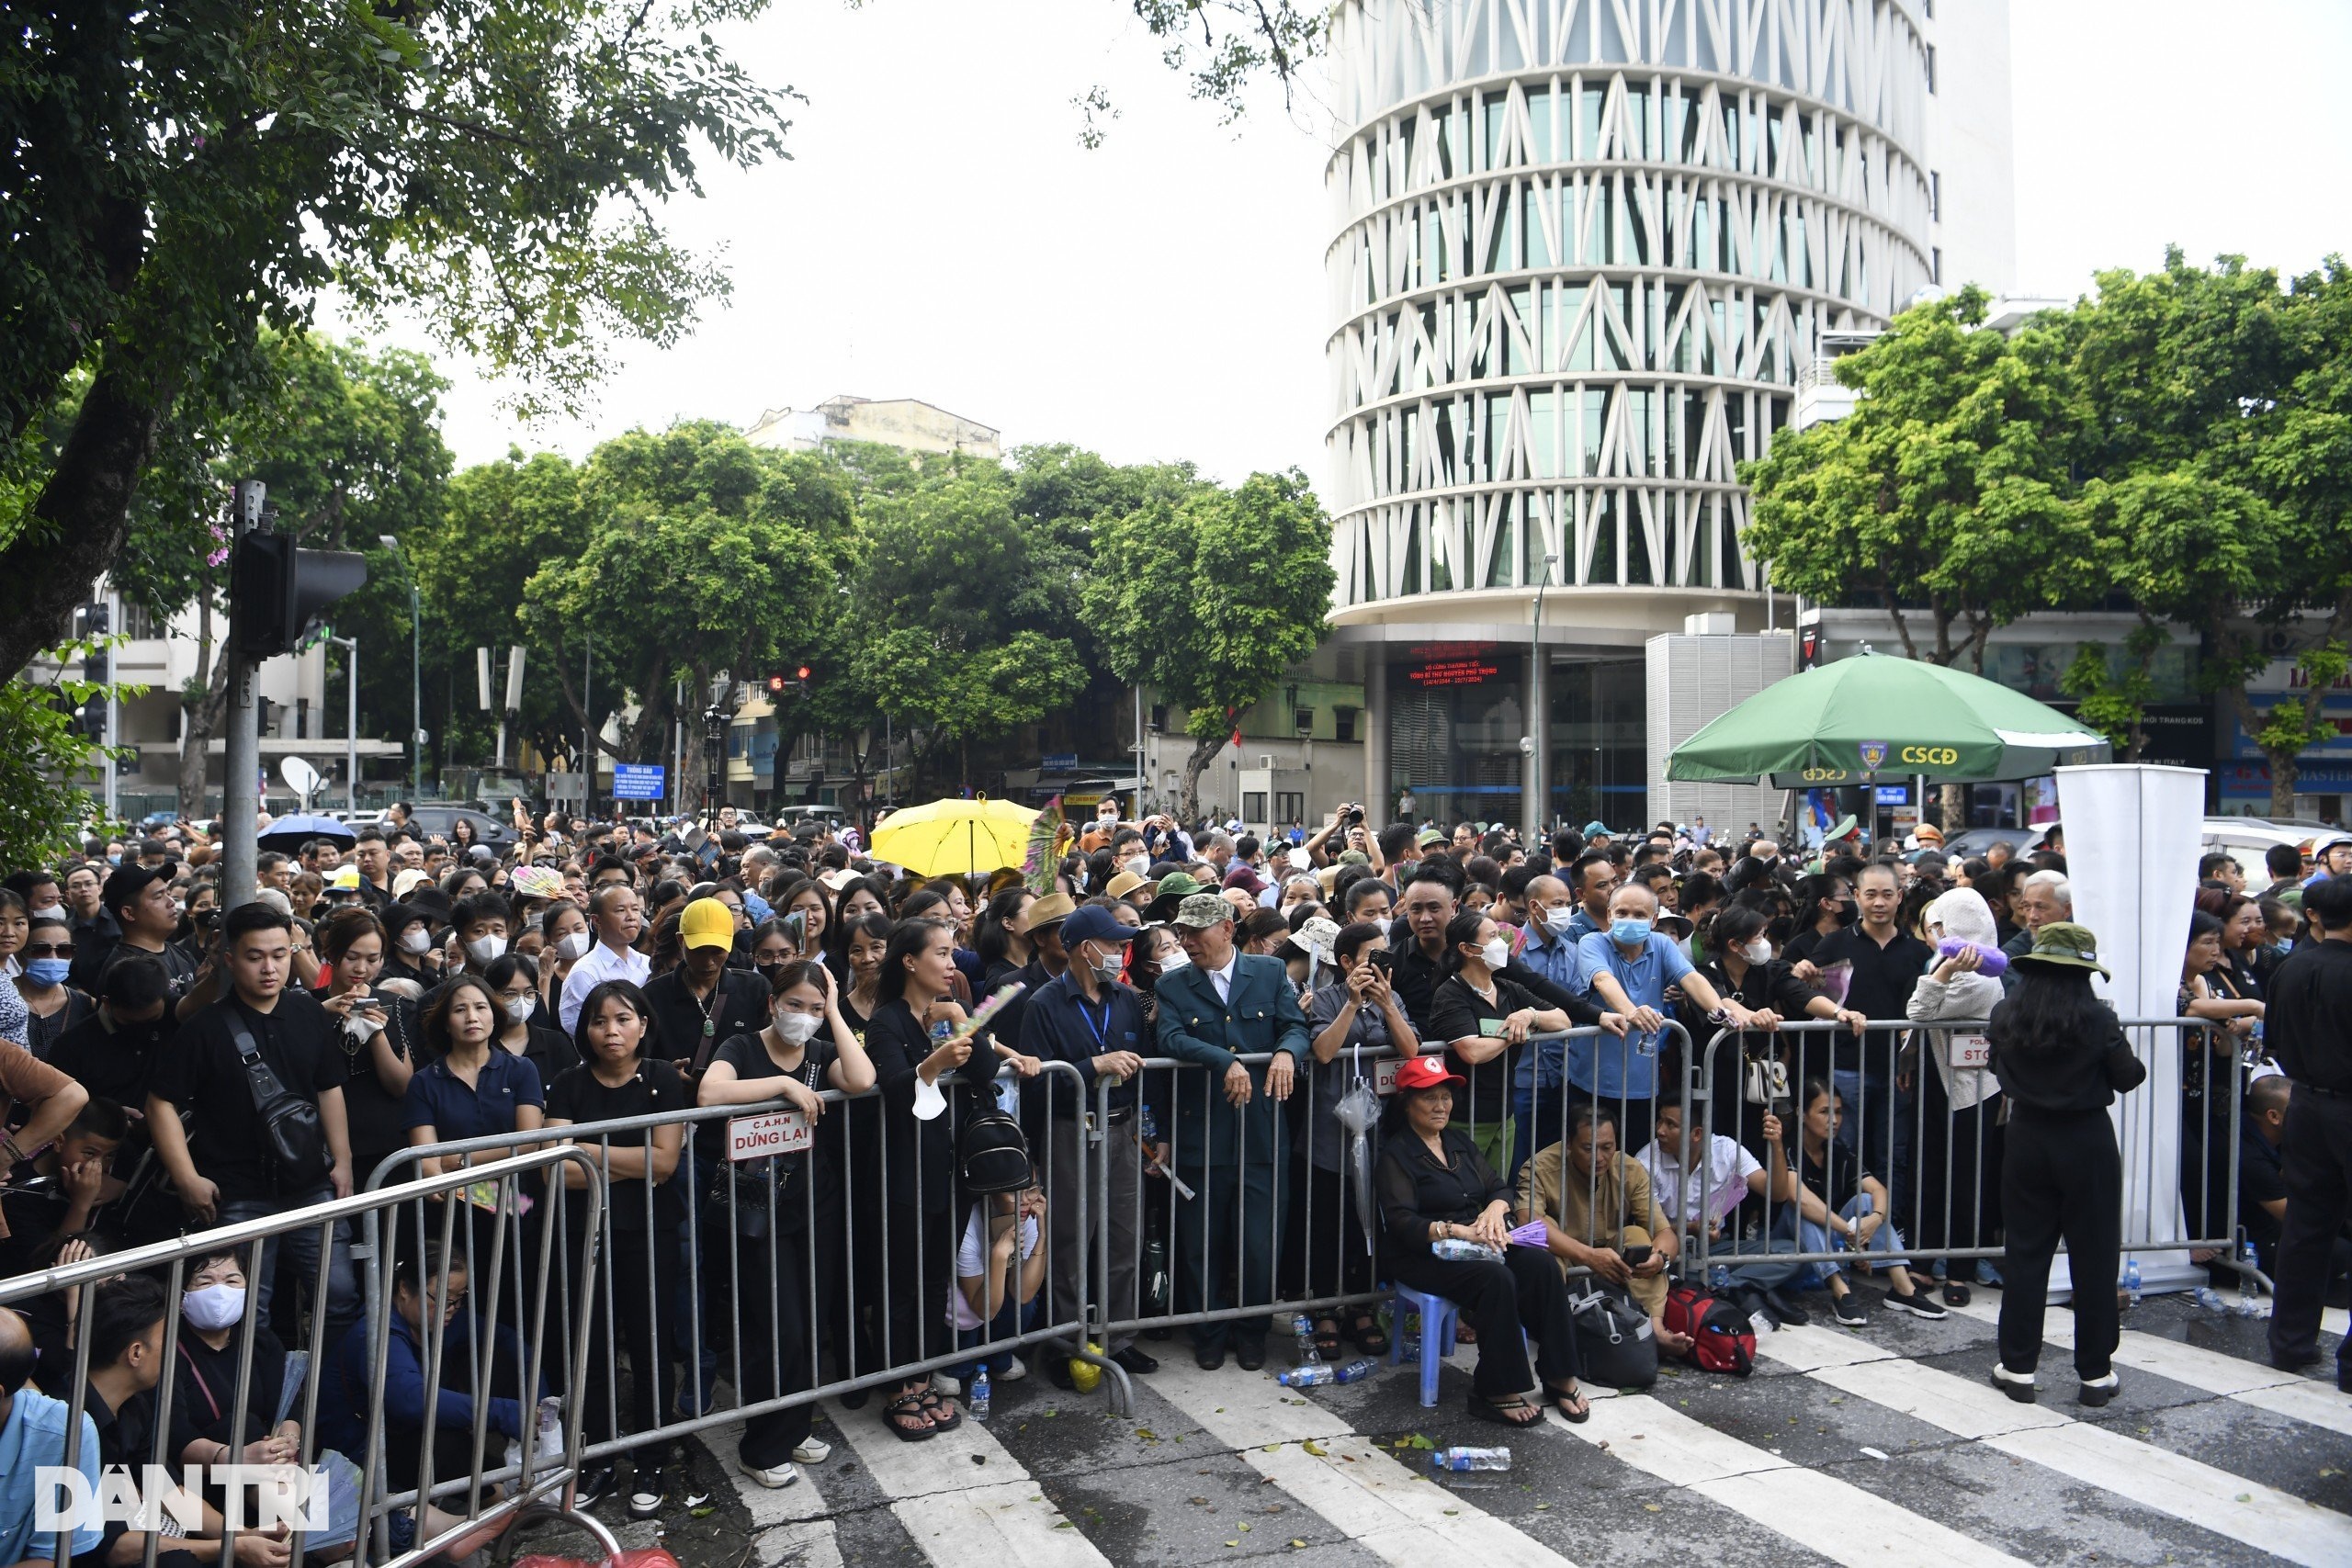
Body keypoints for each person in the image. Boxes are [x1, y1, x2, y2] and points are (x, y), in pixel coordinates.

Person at [145, 904, 360, 1339]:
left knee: (339, 1298)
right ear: (229, 959)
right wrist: (186, 1177)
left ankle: (335, 1400)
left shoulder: (310, 1013)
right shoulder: (203, 1028)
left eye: (280, 955)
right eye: (255, 956)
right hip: (235, 1190)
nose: (270, 968)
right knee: (246, 1313)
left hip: (311, 1183)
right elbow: (160, 1103)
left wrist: (342, 1160)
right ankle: (255, 1407)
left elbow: (328, 1087)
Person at [696, 958, 873, 1487]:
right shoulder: (743, 1047)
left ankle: (794, 1427)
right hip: (756, 1214)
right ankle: (762, 1445)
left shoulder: (821, 1053)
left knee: (808, 1325)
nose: (804, 1017)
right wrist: (781, 1085)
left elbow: (862, 1079)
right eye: (794, 1005)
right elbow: (710, 1093)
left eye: (814, 1008)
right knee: (777, 1328)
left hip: (811, 1208)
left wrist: (835, 1011)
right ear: (772, 1003)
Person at [1376, 1055, 1588, 1425]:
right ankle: (1495, 1388)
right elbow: (1401, 1222)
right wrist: (1455, 1230)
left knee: (1539, 1263)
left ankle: (1559, 1373)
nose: (1441, 1106)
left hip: (1477, 1242)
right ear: (1407, 1102)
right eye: (1429, 1098)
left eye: (1445, 1096)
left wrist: (1494, 1210)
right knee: (1497, 1279)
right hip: (1425, 1252)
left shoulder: (1458, 1142)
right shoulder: (1397, 1154)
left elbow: (1499, 1186)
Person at [1986, 922, 2146, 1405]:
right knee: (2094, 1257)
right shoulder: (2097, 1018)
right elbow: (2129, 1078)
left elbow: (1997, 1068)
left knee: (2025, 1254)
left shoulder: (2005, 1013)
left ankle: (2017, 1368)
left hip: (2027, 1137)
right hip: (2086, 1138)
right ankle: (2095, 1374)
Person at [544, 979, 686, 1515]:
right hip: (585, 1231)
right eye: (600, 1021)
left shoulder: (662, 1081)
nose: (611, 1031)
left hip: (650, 1231)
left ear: (643, 1025)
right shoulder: (567, 1083)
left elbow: (666, 1162)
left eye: (623, 1019)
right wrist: (628, 1159)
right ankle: (599, 1455)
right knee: (594, 1346)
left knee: (651, 1342)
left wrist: (584, 1148)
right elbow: (559, 1176)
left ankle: (653, 1456)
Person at [1155, 893, 1312, 1371]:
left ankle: (1252, 1331)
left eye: (1195, 932)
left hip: (1262, 1133)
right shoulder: (1173, 984)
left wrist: (1286, 1051)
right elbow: (1170, 1038)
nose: (1186, 941)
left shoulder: (1266, 972)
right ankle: (1208, 1332)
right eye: (1180, 932)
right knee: (1202, 1241)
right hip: (1202, 1136)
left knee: (1260, 1241)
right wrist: (1225, 1060)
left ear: (1226, 929)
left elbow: (1296, 1026)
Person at [860, 918, 999, 1438]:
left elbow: (984, 1071)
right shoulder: (888, 1021)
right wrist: (935, 1062)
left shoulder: (949, 1012)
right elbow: (895, 1091)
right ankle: (898, 1386)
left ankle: (922, 1373)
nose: (951, 961)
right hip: (901, 1172)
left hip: (948, 1170)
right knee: (899, 1282)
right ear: (910, 962)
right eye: (940, 953)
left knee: (934, 1278)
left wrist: (964, 1021)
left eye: (953, 951)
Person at [1015, 904, 1153, 1385]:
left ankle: (1119, 1338)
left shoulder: (1129, 999)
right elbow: (1035, 1086)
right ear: (1083, 948)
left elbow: (1146, 1073)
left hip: (1123, 1129)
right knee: (1070, 1243)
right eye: (1113, 945)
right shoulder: (1043, 1004)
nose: (1120, 953)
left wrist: (1149, 1131)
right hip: (1069, 1131)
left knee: (1124, 1238)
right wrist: (1094, 1065)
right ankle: (1064, 1344)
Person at [1302, 919, 1419, 1356]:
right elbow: (1324, 1051)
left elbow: (1410, 1050)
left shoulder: (1394, 997)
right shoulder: (1326, 998)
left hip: (1381, 1132)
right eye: (1373, 958)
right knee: (1329, 1222)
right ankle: (1327, 1309)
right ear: (1347, 962)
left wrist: (1386, 1005)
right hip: (1330, 1134)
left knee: (1368, 1222)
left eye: (1385, 956)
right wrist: (1352, 1004)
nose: (1382, 965)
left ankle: (1362, 1305)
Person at [1572, 881, 1752, 1157]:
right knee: (1591, 1161)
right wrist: (1631, 1011)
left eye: (1639, 915)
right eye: (1621, 913)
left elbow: (1691, 978)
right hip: (1593, 1082)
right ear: (1609, 915)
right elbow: (1603, 979)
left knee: (1636, 1166)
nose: (1629, 920)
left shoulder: (1660, 944)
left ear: (1654, 919)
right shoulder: (1592, 942)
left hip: (1644, 1085)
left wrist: (1719, 1010)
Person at [2261, 874, 2352, 1392]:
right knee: (2311, 1227)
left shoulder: (2291, 967)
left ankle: (2291, 1343)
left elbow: (2275, 1039)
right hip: (2340, 1104)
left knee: (2306, 1227)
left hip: (2305, 1102)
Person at [1521, 1102, 1690, 1357]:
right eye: (1588, 1148)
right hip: (1567, 1262)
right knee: (1544, 1242)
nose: (1599, 1158)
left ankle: (1655, 1329)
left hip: (1612, 1266)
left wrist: (1660, 1258)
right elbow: (1527, 1221)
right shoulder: (1541, 1166)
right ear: (1568, 1143)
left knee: (1638, 1238)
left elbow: (1665, 1233)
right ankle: (1555, 1330)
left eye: (1607, 1148)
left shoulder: (1630, 1168)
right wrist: (1587, 1256)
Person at [1902, 887, 2007, 1302]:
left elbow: (1918, 1011)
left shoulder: (1981, 975)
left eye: (1942, 926)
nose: (1935, 933)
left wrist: (1942, 972)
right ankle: (1923, 1262)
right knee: (1927, 1170)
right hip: (1935, 1078)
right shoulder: (1940, 963)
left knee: (1967, 1176)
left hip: (1974, 1087)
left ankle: (1960, 1270)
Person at [1776, 1077, 1944, 1325]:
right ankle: (1840, 1290)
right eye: (1824, 1112)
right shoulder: (1786, 1148)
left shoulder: (1838, 1150)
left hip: (1828, 1243)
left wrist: (1874, 1220)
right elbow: (1799, 1199)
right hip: (1785, 1247)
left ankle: (1902, 1287)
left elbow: (1879, 1191)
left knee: (1866, 1199)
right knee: (1799, 1208)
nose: (1834, 1120)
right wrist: (1851, 1231)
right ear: (1802, 1113)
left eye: (1838, 1112)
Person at [1637, 1098, 1809, 1328]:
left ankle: (1732, 1287)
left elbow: (1777, 1193)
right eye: (1660, 1120)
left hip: (1717, 1248)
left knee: (1791, 1253)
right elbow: (1646, 1224)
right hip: (1672, 1252)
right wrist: (1692, 1229)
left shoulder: (1725, 1149)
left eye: (1670, 1124)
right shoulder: (1647, 1160)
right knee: (1663, 1275)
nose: (1660, 1130)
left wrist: (1776, 1144)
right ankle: (1739, 1288)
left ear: (1697, 1134)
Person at [1428, 910, 1577, 1173]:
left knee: (1496, 1191)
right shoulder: (1450, 994)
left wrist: (1529, 1015)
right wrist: (1513, 1033)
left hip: (1504, 1114)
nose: (1502, 943)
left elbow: (1562, 1020)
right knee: (1466, 1192)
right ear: (1466, 949)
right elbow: (1472, 1051)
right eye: (1493, 936)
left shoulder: (1509, 988)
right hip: (1465, 1116)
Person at [313, 908, 419, 1192]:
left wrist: (376, 1035)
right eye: (352, 957)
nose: (361, 969)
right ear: (331, 954)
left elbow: (401, 1086)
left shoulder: (396, 1006)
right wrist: (320, 1013)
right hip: (319, 1146)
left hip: (385, 1146)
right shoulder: (307, 1007)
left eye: (372, 959)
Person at [558, 884, 650, 1034]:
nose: (631, 917)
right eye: (620, 910)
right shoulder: (584, 972)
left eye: (635, 909)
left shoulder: (646, 964)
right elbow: (578, 1030)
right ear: (597, 921)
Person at [14, 909, 94, 1059]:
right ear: (20, 955)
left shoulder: (85, 1006)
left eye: (64, 950)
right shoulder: (5, 1000)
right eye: (41, 950)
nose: (53, 958)